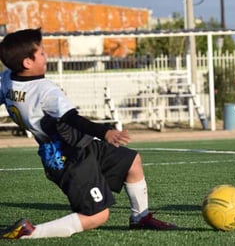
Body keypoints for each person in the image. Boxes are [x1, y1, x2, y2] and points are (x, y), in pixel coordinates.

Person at [0, 28, 177, 240]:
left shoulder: (7, 79)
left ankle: (141, 217)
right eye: (42, 53)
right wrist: (105, 132)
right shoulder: (45, 90)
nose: (46, 56)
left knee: (132, 162)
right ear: (27, 63)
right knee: (97, 216)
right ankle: (30, 232)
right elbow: (73, 119)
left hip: (81, 145)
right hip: (68, 158)